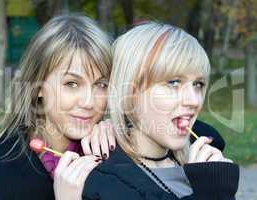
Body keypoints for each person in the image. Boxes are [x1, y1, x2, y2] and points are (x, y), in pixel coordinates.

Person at [82, 22, 239, 200]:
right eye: (173, 83)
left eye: (198, 84)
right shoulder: (106, 185)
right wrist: (213, 193)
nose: (194, 100)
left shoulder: (207, 151)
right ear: (129, 95)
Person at [0, 15, 116, 200]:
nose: (88, 102)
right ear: (38, 87)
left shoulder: (118, 159)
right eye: (71, 83)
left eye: (101, 85)